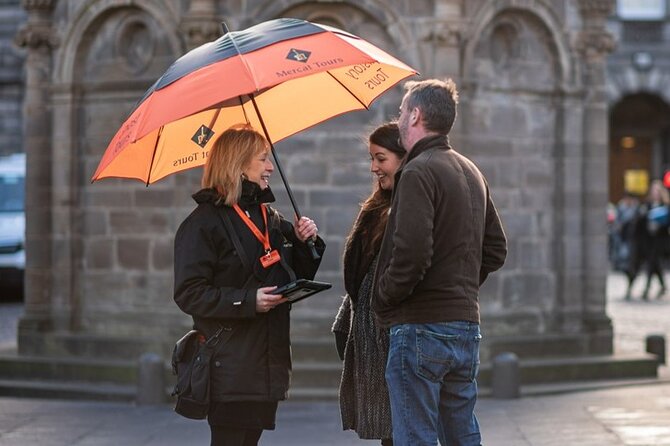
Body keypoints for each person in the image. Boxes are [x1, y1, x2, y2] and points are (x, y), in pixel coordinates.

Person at [372, 79, 507, 446]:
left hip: (420, 327)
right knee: (461, 435)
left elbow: (412, 255)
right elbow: (496, 249)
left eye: (402, 111)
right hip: (465, 328)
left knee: (415, 437)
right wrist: (458, 287)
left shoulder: (417, 171)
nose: (398, 117)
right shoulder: (470, 170)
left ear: (416, 115)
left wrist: (382, 297)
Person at [173, 125, 325, 446]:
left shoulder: (268, 216)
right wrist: (248, 301)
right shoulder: (202, 224)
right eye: (262, 159)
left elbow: (290, 274)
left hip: (265, 361)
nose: (270, 167)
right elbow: (189, 293)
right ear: (238, 163)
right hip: (229, 364)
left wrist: (303, 241)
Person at [332, 123, 406, 445]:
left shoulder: (410, 204)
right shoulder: (377, 206)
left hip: (392, 333)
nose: (374, 167)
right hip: (371, 336)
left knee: (401, 429)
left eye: (381, 158)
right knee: (388, 433)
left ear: (404, 158)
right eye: (371, 159)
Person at [640, 180, 670, 300]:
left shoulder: (666, 205)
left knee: (652, 262)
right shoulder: (647, 205)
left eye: (657, 191)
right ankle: (662, 285)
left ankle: (647, 288)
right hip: (649, 239)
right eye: (653, 191)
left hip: (660, 239)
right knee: (654, 263)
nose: (655, 193)